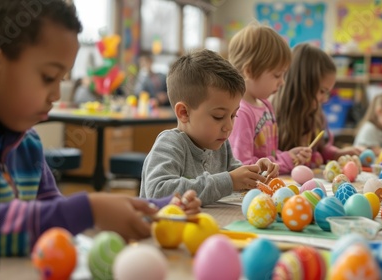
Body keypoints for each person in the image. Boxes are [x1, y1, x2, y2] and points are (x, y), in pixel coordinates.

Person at [0, 0, 200, 256]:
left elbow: (52, 214)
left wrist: (160, 206)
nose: (55, 94)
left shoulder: (27, 143)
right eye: (49, 77)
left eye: (61, 79)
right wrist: (90, 209)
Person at [139, 49, 279, 206]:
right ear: (184, 112)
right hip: (167, 228)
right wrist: (230, 181)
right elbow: (158, 191)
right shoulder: (170, 144)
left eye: (234, 116)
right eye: (218, 117)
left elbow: (235, 175)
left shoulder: (220, 144)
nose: (228, 126)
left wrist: (257, 173)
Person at [227, 23, 312, 174]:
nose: (282, 82)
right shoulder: (242, 113)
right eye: (277, 75)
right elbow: (242, 166)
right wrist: (284, 161)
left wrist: (289, 155)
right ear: (250, 71)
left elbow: (266, 156)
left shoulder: (265, 105)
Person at [273, 43, 361, 167]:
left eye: (327, 93)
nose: (325, 99)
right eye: (321, 91)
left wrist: (337, 153)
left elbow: (319, 149)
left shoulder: (315, 115)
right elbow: (267, 161)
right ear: (302, 86)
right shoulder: (271, 118)